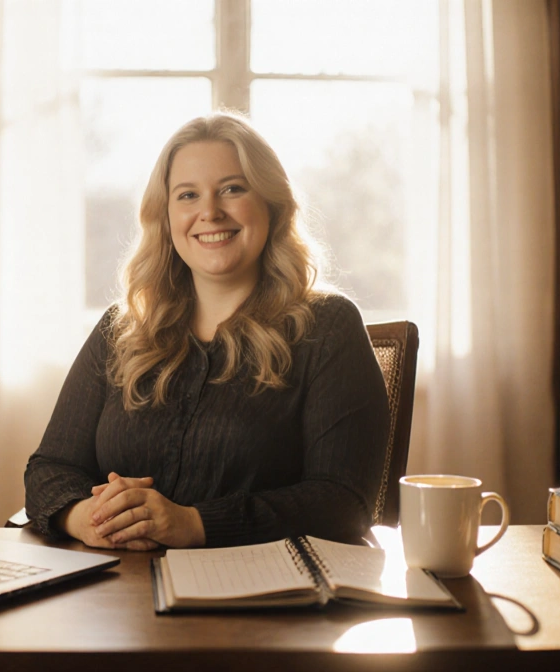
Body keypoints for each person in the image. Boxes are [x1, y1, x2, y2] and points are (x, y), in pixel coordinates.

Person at [24, 111, 389, 551]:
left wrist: (193, 524)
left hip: (265, 601)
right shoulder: (120, 330)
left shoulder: (329, 327)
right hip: (117, 598)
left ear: (272, 205)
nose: (210, 212)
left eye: (233, 189)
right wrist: (87, 517)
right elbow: (50, 468)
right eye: (188, 195)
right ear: (166, 216)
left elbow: (345, 501)